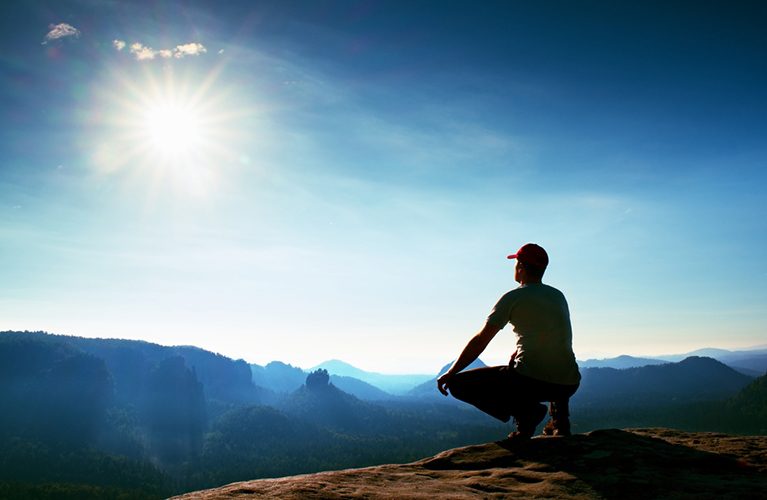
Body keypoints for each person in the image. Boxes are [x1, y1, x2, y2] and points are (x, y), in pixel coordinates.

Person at [437, 243, 580, 439]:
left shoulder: (513, 297)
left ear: (520, 267)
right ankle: (560, 421)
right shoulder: (558, 296)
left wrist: (451, 372)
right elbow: (551, 341)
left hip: (531, 383)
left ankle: (526, 414)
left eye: (515, 264)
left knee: (458, 384)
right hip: (569, 384)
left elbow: (479, 342)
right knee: (555, 358)